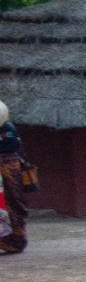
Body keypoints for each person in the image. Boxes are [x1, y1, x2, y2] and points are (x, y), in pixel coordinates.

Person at [0, 99, 29, 254]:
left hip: (8, 175)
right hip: (8, 173)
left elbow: (11, 147)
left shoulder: (8, 129)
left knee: (11, 203)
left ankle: (15, 240)